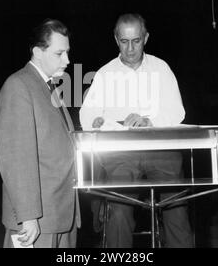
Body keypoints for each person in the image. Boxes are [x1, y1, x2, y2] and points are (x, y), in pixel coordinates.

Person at [79, 13, 193, 248]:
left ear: (146, 38)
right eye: (124, 41)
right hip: (121, 157)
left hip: (161, 152)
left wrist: (151, 121)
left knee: (177, 212)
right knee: (118, 213)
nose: (130, 48)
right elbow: (86, 115)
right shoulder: (104, 74)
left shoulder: (161, 69)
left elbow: (177, 111)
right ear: (115, 39)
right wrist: (97, 121)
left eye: (136, 41)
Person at [0, 19, 80, 248]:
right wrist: (28, 215)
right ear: (37, 52)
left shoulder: (49, 87)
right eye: (59, 53)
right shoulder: (19, 86)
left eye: (67, 52)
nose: (67, 60)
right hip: (37, 221)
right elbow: (16, 158)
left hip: (60, 214)